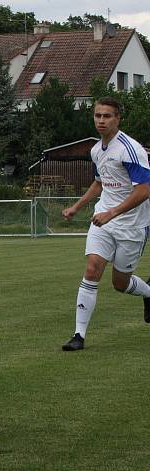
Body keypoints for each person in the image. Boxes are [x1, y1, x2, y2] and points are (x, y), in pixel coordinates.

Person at [60, 96, 150, 351]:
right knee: (92, 268)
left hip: (133, 225)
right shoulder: (96, 150)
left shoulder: (131, 150)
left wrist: (112, 213)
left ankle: (148, 292)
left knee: (120, 284)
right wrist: (77, 207)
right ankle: (78, 336)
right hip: (104, 222)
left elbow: (144, 191)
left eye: (107, 116)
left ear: (118, 119)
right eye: (98, 115)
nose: (101, 120)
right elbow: (100, 183)